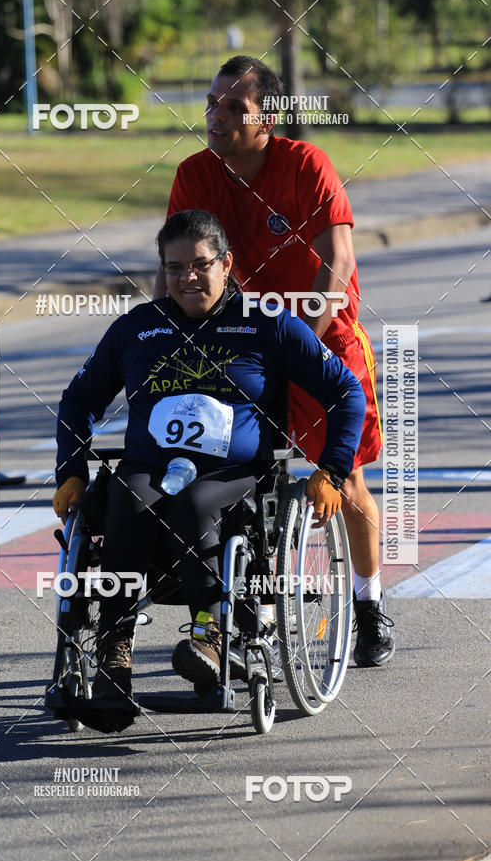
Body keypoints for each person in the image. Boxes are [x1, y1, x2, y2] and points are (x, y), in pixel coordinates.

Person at [54, 210, 366, 718]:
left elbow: (345, 391)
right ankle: (114, 654)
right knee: (125, 498)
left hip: (233, 474)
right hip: (151, 467)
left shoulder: (268, 322)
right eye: (174, 267)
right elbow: (78, 399)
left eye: (200, 264)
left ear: (226, 264)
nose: (187, 277)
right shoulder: (137, 328)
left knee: (196, 502)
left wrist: (331, 470)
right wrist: (70, 471)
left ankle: (212, 635)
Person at [154, 55, 394, 668]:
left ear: (268, 119)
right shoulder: (195, 174)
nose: (217, 115)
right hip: (240, 341)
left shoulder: (305, 165)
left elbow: (337, 262)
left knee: (346, 478)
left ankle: (369, 604)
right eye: (212, 103)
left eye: (235, 107)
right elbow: (176, 268)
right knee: (229, 468)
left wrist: (299, 347)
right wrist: (160, 342)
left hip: (321, 334)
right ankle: (238, 614)